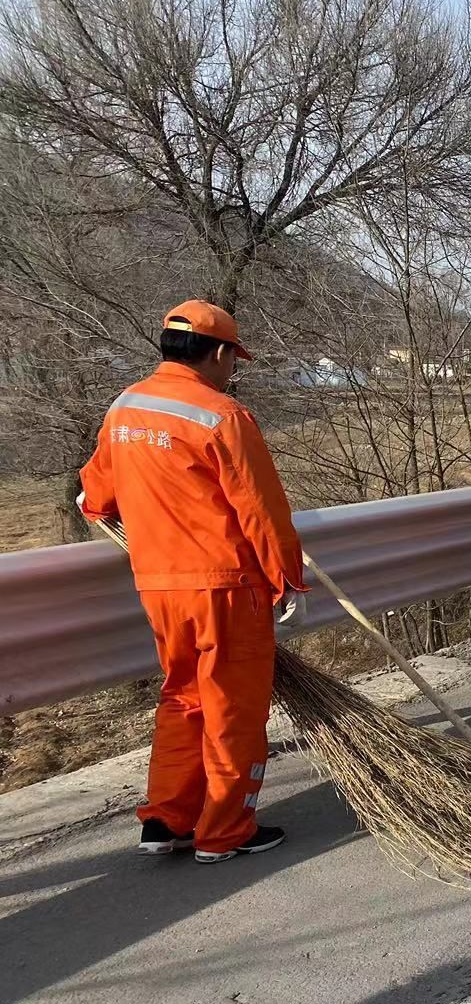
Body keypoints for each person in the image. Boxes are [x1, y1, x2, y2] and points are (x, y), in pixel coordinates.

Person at [79, 300, 303, 863]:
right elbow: (262, 510)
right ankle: (224, 833)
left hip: (157, 586)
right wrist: (285, 578)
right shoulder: (223, 415)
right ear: (222, 353)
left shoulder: (124, 408)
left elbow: (95, 496)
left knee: (182, 698)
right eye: (235, 359)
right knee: (233, 706)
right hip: (225, 585)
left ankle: (166, 820)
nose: (234, 370)